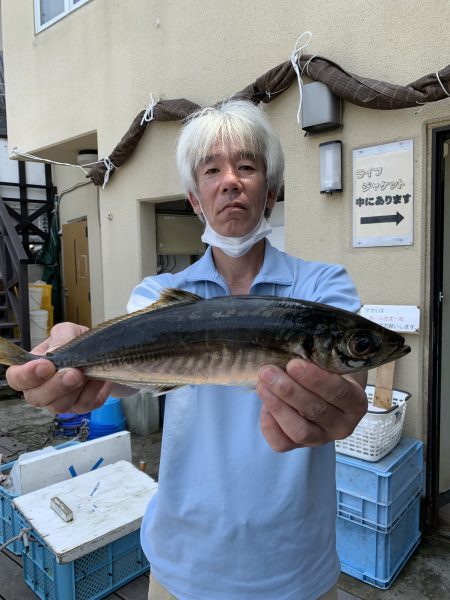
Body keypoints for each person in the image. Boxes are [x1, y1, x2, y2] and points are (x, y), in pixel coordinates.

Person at [7, 100, 367, 600]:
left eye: (247, 166)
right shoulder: (157, 297)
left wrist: (343, 403)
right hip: (182, 567)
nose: (230, 181)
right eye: (212, 169)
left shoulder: (324, 288)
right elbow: (126, 377)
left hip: (296, 570)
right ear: (195, 199)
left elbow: (349, 385)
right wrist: (72, 365)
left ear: (272, 191)